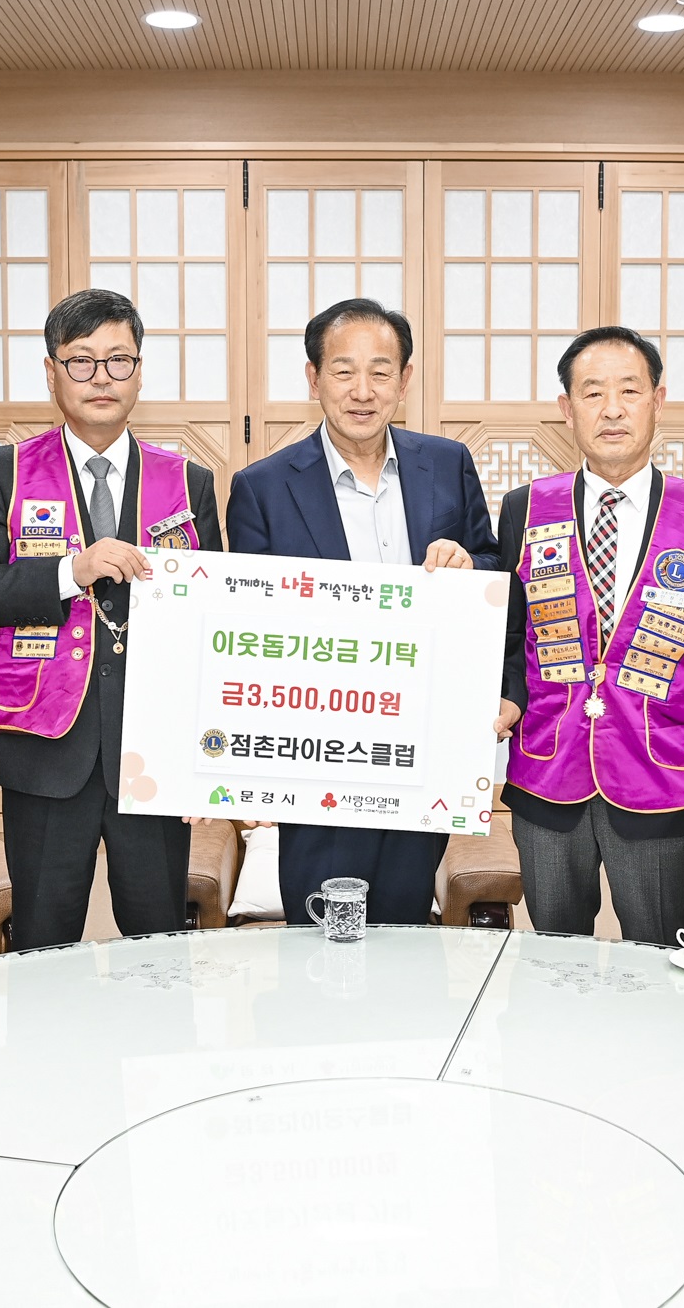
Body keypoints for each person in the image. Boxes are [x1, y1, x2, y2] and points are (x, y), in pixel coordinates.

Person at [0, 288, 222, 949]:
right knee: (42, 946)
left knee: (160, 948)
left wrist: (206, 758)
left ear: (140, 372)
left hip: (153, 754)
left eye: (119, 360)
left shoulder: (188, 482)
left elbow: (212, 629)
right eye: (82, 361)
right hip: (45, 750)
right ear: (52, 372)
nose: (102, 377)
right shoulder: (6, 472)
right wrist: (70, 571)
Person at [227, 297, 497, 927]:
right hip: (316, 747)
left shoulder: (448, 464)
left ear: (405, 380)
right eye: (343, 371)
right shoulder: (262, 487)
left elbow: (492, 568)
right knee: (324, 926)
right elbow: (246, 628)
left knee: (406, 922)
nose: (362, 390)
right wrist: (248, 769)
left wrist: (467, 563)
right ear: (313, 378)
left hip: (422, 739)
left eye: (381, 372)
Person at [493, 327, 684, 946]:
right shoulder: (524, 508)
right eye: (592, 392)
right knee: (554, 961)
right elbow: (509, 634)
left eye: (629, 391)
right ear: (566, 407)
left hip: (662, 771)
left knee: (659, 958)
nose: (612, 409)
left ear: (658, 400)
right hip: (547, 767)